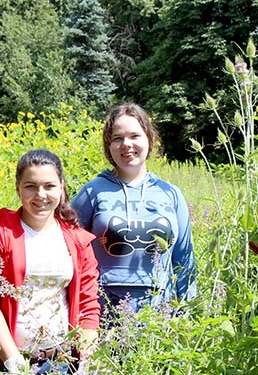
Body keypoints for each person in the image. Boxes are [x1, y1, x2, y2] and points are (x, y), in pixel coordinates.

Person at [0, 149, 100, 375]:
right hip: (8, 365)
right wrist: (13, 363)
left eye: (49, 186)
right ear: (18, 189)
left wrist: (87, 354)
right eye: (31, 186)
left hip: (62, 362)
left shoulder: (77, 240)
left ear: (62, 187)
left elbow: (88, 302)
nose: (40, 195)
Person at [72, 103, 196, 320]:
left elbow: (184, 260)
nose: (126, 144)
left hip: (160, 316)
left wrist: (188, 315)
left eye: (134, 136)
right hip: (103, 314)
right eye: (117, 138)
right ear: (108, 147)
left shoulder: (170, 193)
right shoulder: (93, 191)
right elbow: (67, 247)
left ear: (149, 139)